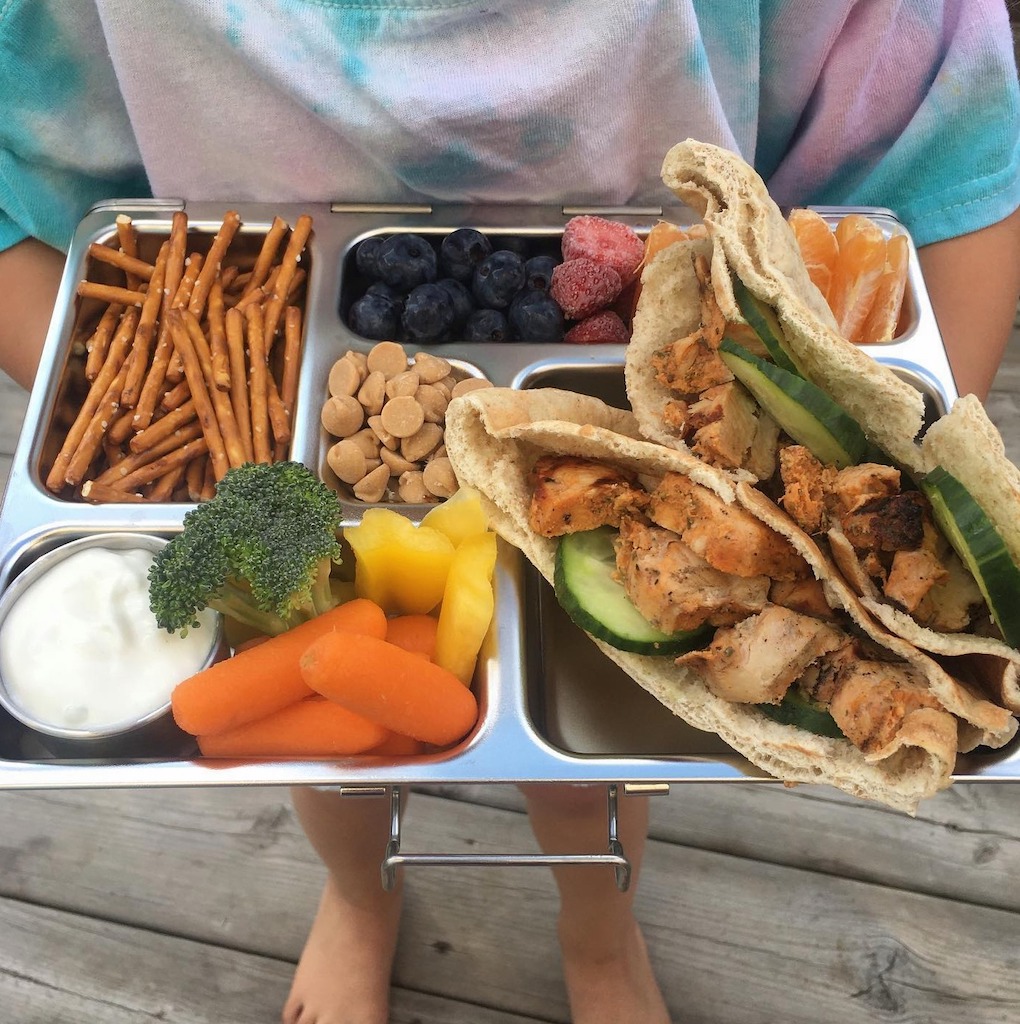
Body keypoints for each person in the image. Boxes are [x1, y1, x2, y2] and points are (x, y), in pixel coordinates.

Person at [1, 3, 1018, 1022]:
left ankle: (599, 928)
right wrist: (108, 395)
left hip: (647, 401)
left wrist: (884, 535)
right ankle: (359, 895)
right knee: (324, 744)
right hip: (307, 380)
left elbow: (948, 139)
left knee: (593, 782)